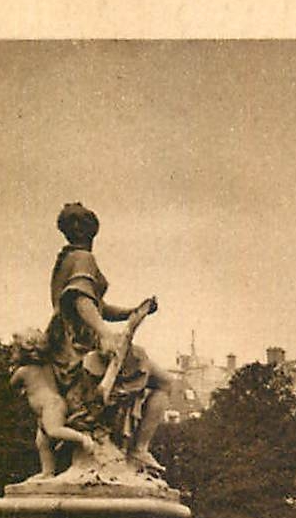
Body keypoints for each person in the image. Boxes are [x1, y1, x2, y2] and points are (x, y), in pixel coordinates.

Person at [45, 202, 177, 471]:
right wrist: (106, 335)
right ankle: (139, 449)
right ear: (92, 230)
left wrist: (133, 312)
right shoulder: (83, 258)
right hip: (84, 348)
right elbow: (82, 300)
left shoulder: (67, 259)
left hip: (67, 348)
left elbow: (98, 307)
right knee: (164, 382)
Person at [10, 328, 97, 477]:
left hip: (50, 406)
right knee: (42, 442)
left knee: (53, 431)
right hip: (53, 405)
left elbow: (12, 384)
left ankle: (82, 438)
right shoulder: (48, 367)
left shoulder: (22, 372)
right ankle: (47, 472)